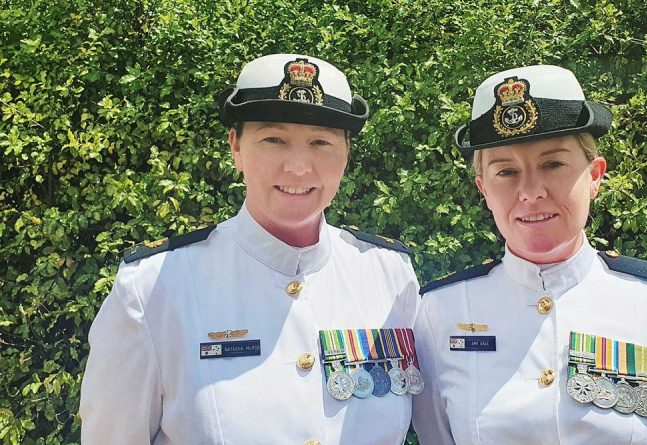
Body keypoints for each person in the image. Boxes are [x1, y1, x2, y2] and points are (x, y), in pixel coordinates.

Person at [80, 54, 421, 445]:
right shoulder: (154, 287)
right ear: (236, 148)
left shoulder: (388, 275)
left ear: (345, 156)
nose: (298, 167)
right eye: (273, 139)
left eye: (320, 142)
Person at [411, 65, 647, 444]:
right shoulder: (442, 312)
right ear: (483, 189)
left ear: (594, 175)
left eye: (553, 164)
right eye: (505, 172)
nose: (531, 191)